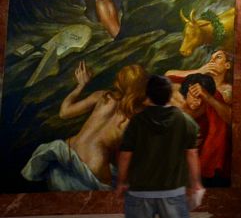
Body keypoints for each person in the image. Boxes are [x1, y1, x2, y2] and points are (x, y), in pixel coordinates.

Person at [115, 74, 220, 218]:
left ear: (148, 95)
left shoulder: (137, 122)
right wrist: (196, 183)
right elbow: (191, 154)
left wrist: (122, 182)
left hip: (140, 192)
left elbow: (125, 154)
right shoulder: (183, 121)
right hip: (172, 192)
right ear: (169, 95)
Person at [21, 61, 147, 190]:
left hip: (68, 152)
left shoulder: (103, 96)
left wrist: (80, 85)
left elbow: (64, 113)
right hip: (95, 164)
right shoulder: (139, 117)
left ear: (118, 83)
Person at [176, 73, 232, 183]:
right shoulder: (175, 103)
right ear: (186, 92)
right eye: (195, 96)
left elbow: (232, 118)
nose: (199, 102)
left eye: (203, 98)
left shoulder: (211, 100)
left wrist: (208, 97)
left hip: (205, 160)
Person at [166, 49, 233, 103]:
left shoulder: (227, 89)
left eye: (218, 57)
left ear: (227, 65)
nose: (212, 60)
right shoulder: (200, 78)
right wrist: (199, 71)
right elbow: (168, 74)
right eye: (211, 58)